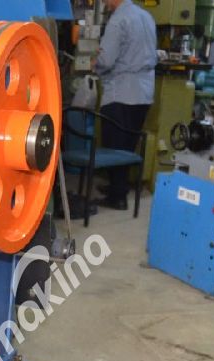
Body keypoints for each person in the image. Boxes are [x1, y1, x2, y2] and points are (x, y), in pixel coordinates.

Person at [93, 0, 157, 210]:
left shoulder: (118, 20)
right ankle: (117, 187)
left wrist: (93, 63)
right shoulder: (146, 17)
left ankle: (117, 197)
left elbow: (106, 60)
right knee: (128, 144)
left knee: (115, 146)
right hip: (144, 93)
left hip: (121, 91)